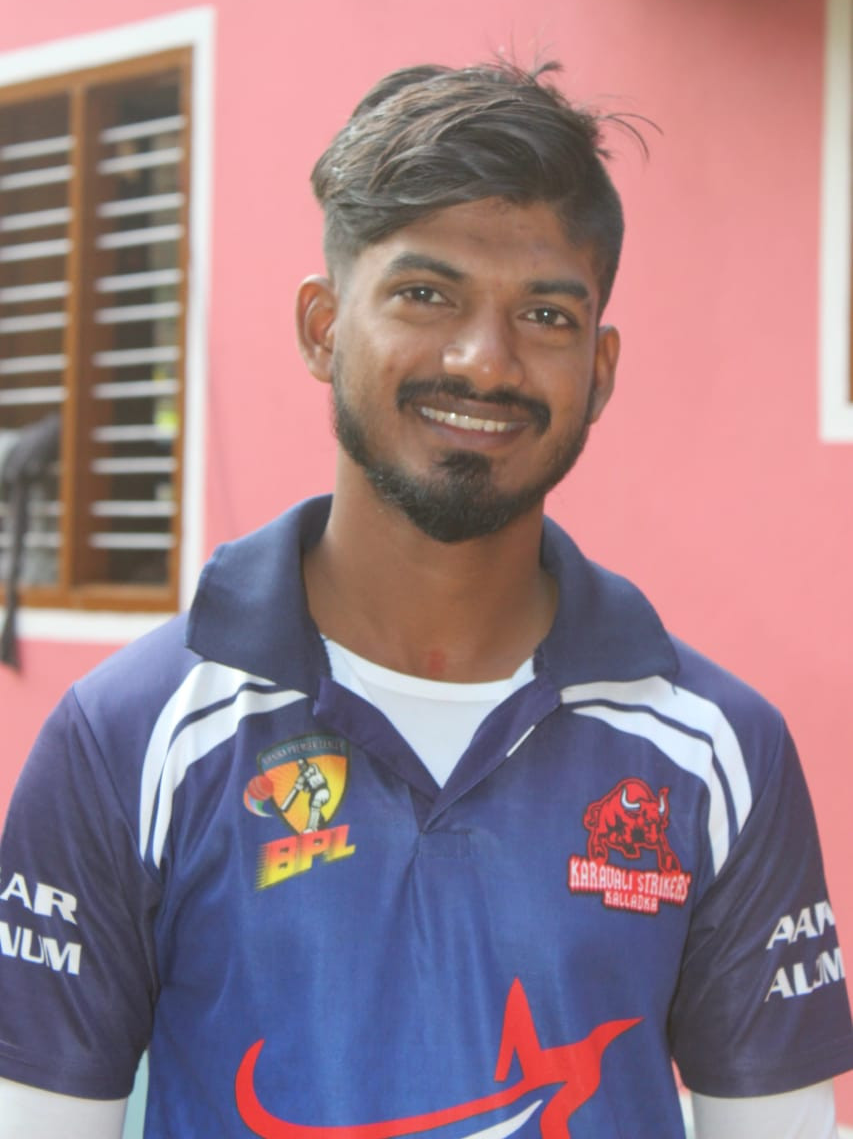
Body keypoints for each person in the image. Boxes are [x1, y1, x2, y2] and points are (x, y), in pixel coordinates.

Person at [0, 60, 851, 1139]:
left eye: (544, 313)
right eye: (425, 294)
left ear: (599, 369)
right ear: (322, 327)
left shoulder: (718, 749)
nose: (483, 361)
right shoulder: (127, 738)